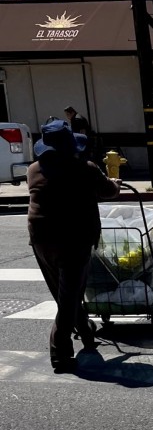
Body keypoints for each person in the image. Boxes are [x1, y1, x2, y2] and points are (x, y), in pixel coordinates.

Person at [27, 119, 122, 373]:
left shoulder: (34, 170)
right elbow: (108, 191)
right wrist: (116, 184)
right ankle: (59, 353)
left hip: (41, 238)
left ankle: (86, 331)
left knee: (66, 292)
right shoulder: (85, 168)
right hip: (74, 238)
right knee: (68, 297)